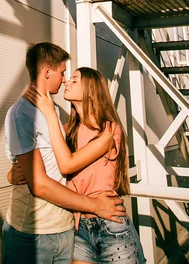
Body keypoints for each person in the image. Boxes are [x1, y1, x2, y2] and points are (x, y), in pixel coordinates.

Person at [2, 43, 126, 264]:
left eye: (72, 78)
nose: (65, 79)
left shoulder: (58, 115)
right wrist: (12, 175)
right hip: (36, 233)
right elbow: (39, 181)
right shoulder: (22, 114)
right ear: (47, 71)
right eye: (62, 72)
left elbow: (61, 164)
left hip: (69, 227)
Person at [25, 67, 146, 264]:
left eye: (74, 80)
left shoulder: (109, 130)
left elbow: (67, 165)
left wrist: (50, 114)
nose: (66, 82)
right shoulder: (66, 131)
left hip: (110, 226)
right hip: (78, 228)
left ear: (90, 90)